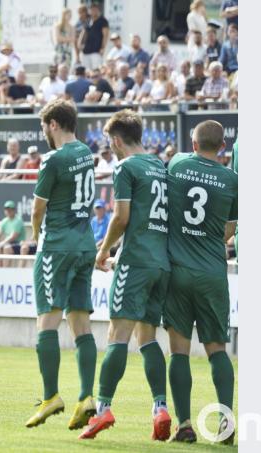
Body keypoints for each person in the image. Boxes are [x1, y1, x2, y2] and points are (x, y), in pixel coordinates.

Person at [80, 109, 172, 441]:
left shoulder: (126, 167)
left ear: (116, 141)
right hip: (161, 263)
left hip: (135, 262)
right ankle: (160, 408)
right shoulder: (160, 166)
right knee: (147, 337)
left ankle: (102, 409)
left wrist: (104, 251)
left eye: (110, 143)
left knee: (117, 336)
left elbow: (121, 217)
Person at [163, 120, 237, 444]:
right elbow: (229, 231)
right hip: (212, 274)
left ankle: (184, 425)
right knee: (217, 349)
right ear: (222, 147)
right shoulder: (232, 179)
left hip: (178, 270)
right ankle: (225, 423)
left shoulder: (178, 163)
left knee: (178, 351)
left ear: (193, 144)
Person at [25, 98, 98, 431]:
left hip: (57, 245)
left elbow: (37, 209)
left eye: (44, 126)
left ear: (53, 124)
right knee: (81, 323)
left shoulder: (53, 159)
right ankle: (86, 397)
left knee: (48, 321)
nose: (44, 132)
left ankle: (51, 396)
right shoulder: (86, 153)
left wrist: (36, 235)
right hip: (85, 244)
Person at [0, 200, 26, 267]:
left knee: (6, 248)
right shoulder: (4, 221)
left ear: (14, 210)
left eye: (10, 209)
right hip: (8, 243)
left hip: (18, 243)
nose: (8, 211)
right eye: (7, 209)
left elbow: (13, 237)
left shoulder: (18, 220)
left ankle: (6, 269)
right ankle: (1, 269)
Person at [79, 3, 109, 71]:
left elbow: (105, 35)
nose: (93, 11)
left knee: (96, 70)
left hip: (96, 51)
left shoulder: (103, 21)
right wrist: (80, 43)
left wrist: (103, 48)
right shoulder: (88, 20)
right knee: (86, 71)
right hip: (85, 51)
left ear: (98, 10)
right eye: (92, 9)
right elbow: (84, 32)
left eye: (95, 9)